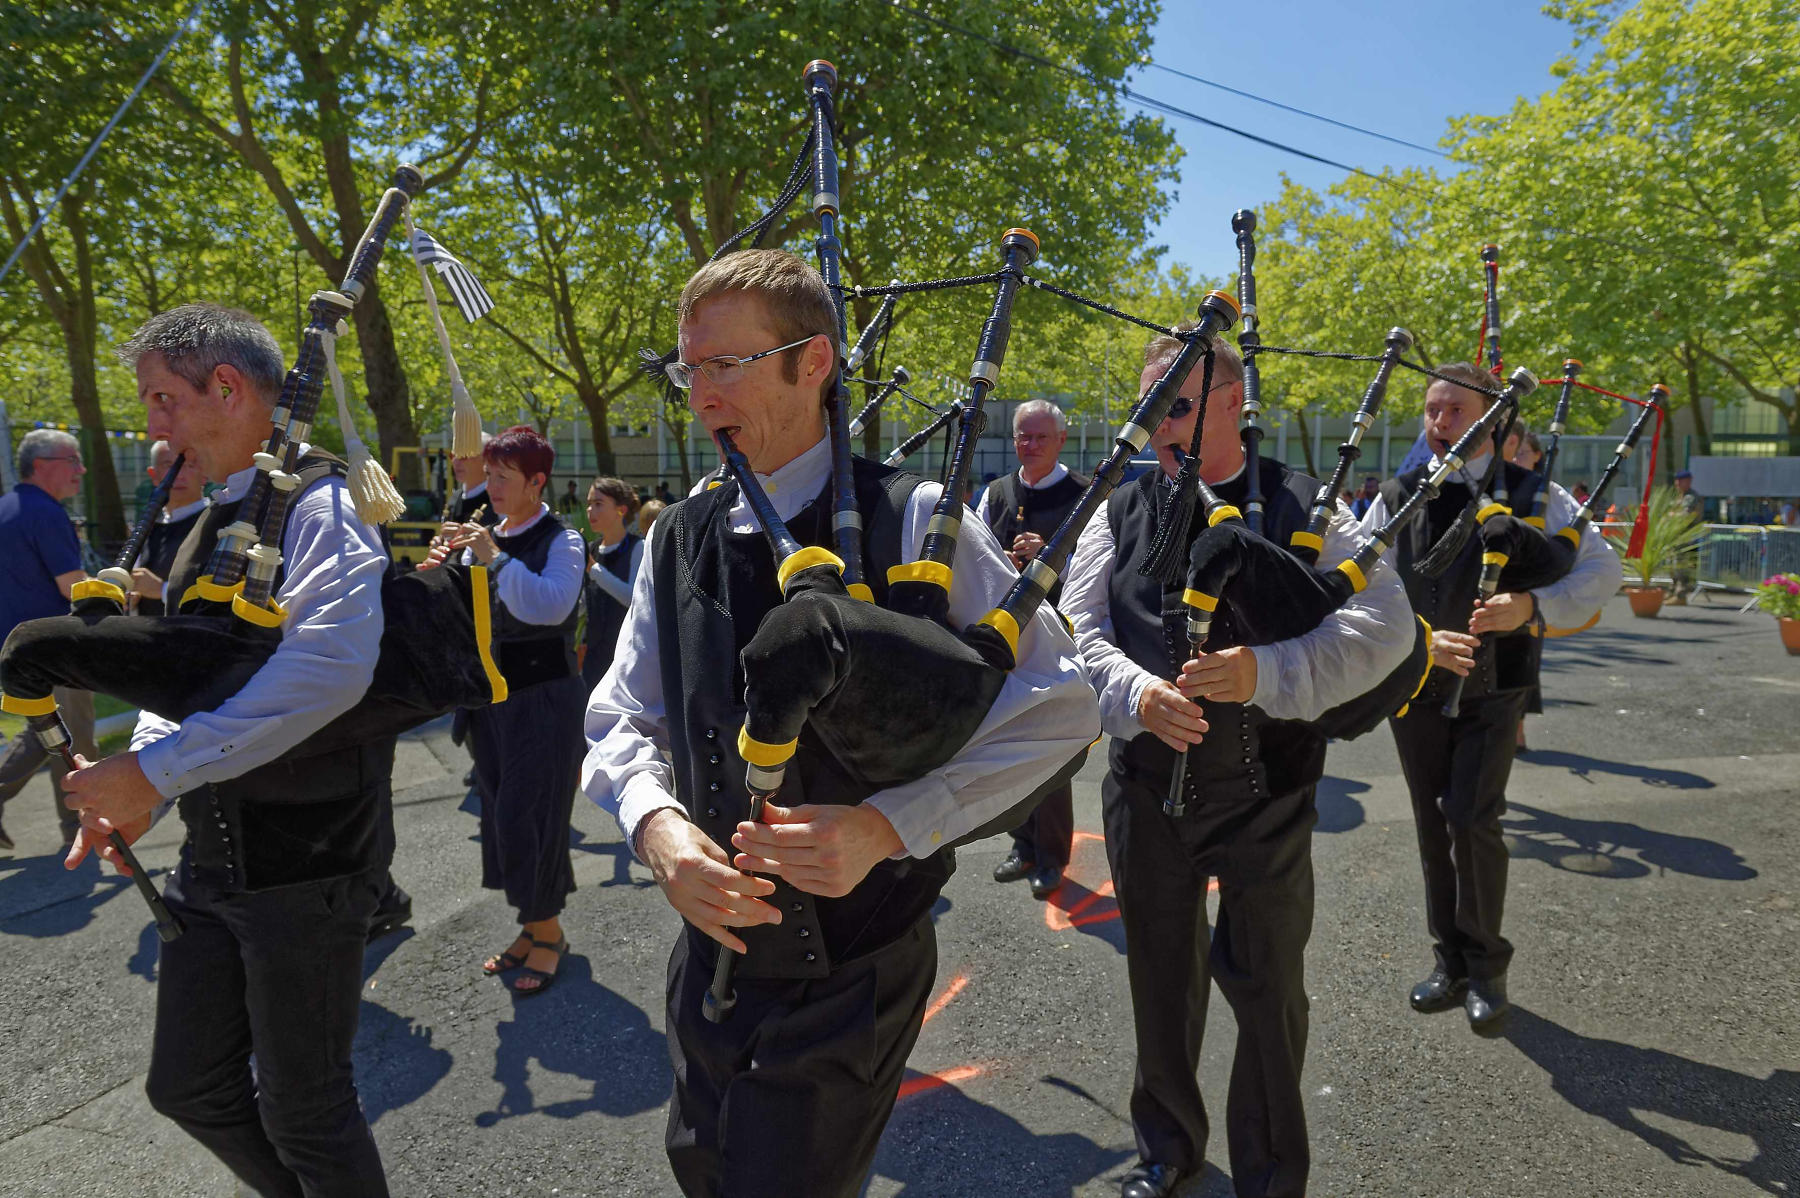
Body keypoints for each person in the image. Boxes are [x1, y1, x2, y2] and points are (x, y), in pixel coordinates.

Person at [584, 249, 1096, 1198]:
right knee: (701, 1167)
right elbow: (622, 711)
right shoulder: (677, 535)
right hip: (709, 952)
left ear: (811, 362)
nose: (698, 395)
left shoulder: (915, 516)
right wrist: (656, 830)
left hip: (855, 968)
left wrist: (888, 825)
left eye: (723, 366)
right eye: (687, 367)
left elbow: (1061, 705)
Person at [1060, 325, 1413, 1198]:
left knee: (1266, 994)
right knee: (1160, 982)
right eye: (1144, 409)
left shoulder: (1305, 502)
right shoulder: (1119, 510)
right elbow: (1077, 631)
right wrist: (1137, 694)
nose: (1155, 426)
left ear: (1227, 402)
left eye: (1172, 406)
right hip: (1147, 789)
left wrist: (1264, 672)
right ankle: (1169, 1149)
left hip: (1268, 791)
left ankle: (1269, 1173)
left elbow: (1386, 629)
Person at [59, 302, 395, 1195]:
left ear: (228, 387)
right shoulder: (216, 519)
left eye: (162, 398)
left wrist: (154, 771)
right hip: (213, 865)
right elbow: (188, 680)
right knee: (190, 1087)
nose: (150, 423)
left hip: (309, 869)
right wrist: (138, 784)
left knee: (307, 1109)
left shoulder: (323, 507)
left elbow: (331, 670)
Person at [1366, 363, 1620, 1035]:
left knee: (1472, 820)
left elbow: (1602, 571)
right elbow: (1366, 587)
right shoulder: (1399, 496)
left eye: (1454, 410)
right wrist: (1421, 643)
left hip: (1496, 685)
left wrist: (1531, 606)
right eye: (1431, 409)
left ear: (1494, 420)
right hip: (1418, 687)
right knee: (1431, 825)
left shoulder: (1539, 495)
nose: (1439, 421)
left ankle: (1486, 967)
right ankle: (1448, 961)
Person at [422, 425, 586, 995]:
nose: (489, 486)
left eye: (503, 477)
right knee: (501, 819)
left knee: (529, 817)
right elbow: (462, 615)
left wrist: (491, 557)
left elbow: (548, 605)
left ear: (536, 482)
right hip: (490, 701)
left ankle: (548, 932)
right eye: (488, 475)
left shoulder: (563, 538)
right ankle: (533, 924)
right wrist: (438, 573)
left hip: (544, 699)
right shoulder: (485, 535)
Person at [971, 399, 1088, 900]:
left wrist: (1053, 558)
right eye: (1022, 436)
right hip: (1006, 639)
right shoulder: (995, 492)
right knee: (1010, 744)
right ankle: (1022, 844)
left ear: (1061, 439)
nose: (1030, 445)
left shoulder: (1087, 495)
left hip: (1062, 637)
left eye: (1040, 437)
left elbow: (1102, 564)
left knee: (1052, 747)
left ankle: (1053, 854)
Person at [0, 429, 96, 851]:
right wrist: (113, 593)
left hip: (14, 649)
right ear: (41, 466)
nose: (81, 469)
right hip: (53, 648)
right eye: (72, 460)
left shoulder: (5, 509)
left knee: (45, 734)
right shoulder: (48, 513)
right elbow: (71, 586)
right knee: (73, 741)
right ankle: (82, 832)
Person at [127, 439, 208, 617]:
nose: (178, 474)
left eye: (189, 466)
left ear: (205, 474)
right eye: (168, 465)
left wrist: (162, 590)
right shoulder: (147, 527)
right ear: (153, 474)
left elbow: (223, 594)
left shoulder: (216, 522)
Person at [580, 476, 643, 690]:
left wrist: (594, 570)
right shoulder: (591, 549)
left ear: (621, 510)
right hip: (593, 657)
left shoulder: (638, 547)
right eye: (589, 504)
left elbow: (632, 599)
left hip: (626, 657)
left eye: (598, 504)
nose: (590, 510)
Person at [1670, 470, 1703, 604]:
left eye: (1681, 480)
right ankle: (1673, 591)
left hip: (1686, 536)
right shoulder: (1678, 497)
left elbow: (1686, 516)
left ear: (1688, 481)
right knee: (1673, 565)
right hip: (1676, 536)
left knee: (1681, 565)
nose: (1677, 483)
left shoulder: (1691, 497)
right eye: (1676, 480)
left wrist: (1671, 516)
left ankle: (1680, 595)